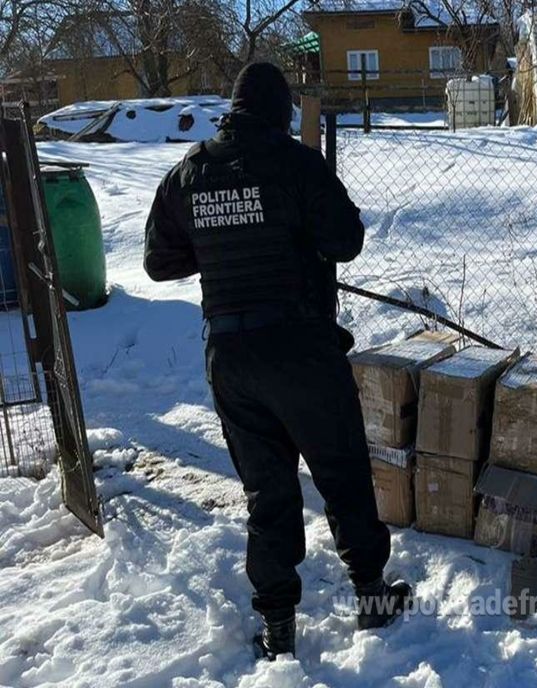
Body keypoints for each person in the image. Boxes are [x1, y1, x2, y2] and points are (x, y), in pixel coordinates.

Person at [143, 62, 411, 660]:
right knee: (341, 472)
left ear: (234, 108)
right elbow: (346, 240)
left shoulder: (188, 173)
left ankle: (278, 628)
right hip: (300, 351)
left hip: (230, 358)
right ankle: (371, 593)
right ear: (280, 111)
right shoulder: (295, 164)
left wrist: (220, 243)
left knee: (267, 493)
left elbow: (159, 262)